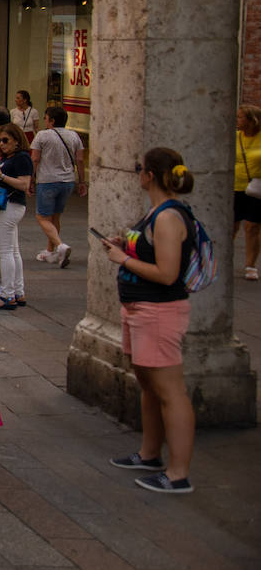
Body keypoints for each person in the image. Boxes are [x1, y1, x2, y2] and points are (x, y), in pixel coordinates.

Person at [103, 147, 197, 494]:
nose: (136, 172)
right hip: (140, 309)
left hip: (159, 311)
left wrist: (122, 261)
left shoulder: (169, 217)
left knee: (170, 391)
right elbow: (150, 251)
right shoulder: (156, 212)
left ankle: (178, 473)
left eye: (139, 167)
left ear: (150, 175)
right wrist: (124, 245)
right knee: (149, 385)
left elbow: (168, 273)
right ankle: (150, 453)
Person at [0, 123, 34, 310]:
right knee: (13, 250)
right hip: (7, 206)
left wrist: (1, 175)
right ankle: (18, 291)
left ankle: (7, 294)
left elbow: (24, 184)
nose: (2, 144)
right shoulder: (9, 158)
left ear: (16, 140)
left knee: (5, 251)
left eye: (6, 140)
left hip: (10, 206)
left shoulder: (22, 158)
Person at [30, 105, 86, 267]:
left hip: (47, 180)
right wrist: (81, 181)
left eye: (46, 118)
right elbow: (80, 160)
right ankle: (50, 251)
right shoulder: (74, 136)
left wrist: (30, 180)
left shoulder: (42, 136)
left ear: (52, 121)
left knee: (42, 217)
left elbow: (35, 159)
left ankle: (60, 246)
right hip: (67, 181)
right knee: (55, 217)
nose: (44, 121)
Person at [234, 104, 261, 281]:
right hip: (235, 185)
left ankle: (250, 265)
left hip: (256, 188)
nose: (237, 120)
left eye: (240, 117)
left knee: (252, 227)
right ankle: (221, 259)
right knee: (231, 226)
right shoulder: (235, 137)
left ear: (252, 120)